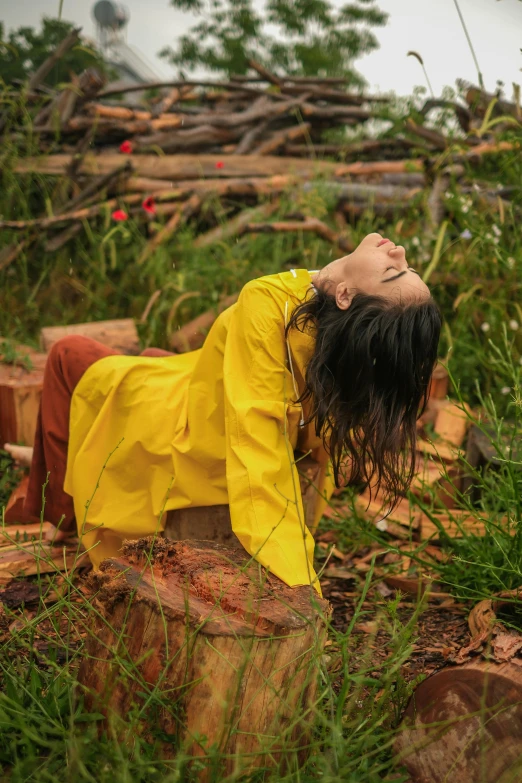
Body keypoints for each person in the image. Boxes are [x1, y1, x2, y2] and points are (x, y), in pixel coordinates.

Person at [5, 233, 441, 591]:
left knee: (68, 354)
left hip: (198, 436)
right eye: (407, 267)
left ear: (345, 295)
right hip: (200, 384)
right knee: (155, 356)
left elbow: (259, 452)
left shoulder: (268, 303)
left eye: (394, 271)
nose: (399, 250)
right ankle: (42, 472)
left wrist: (301, 585)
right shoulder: (339, 342)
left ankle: (62, 517)